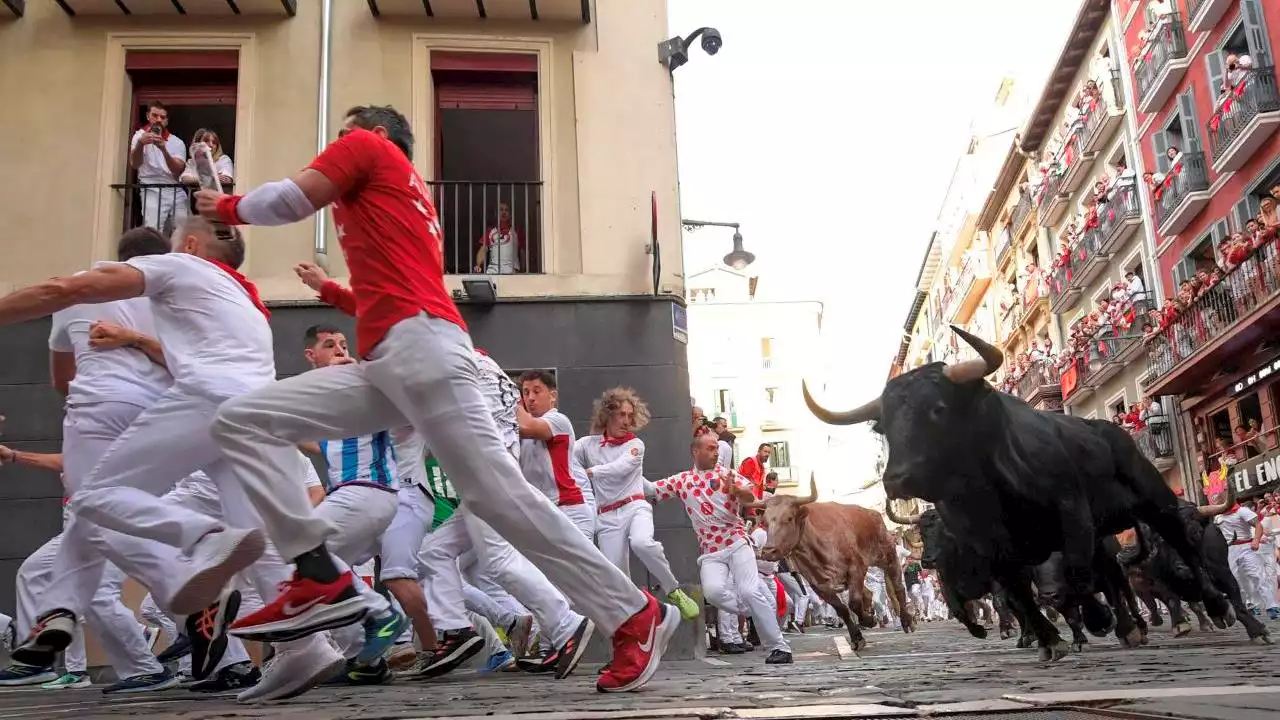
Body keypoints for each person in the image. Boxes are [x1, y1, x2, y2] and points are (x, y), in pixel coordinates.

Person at [194, 104, 678, 693]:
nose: (334, 145)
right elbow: (392, 296)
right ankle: (317, 571)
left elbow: (290, 201)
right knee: (241, 420)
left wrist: (223, 206)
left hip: (421, 355)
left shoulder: (369, 149)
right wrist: (333, 292)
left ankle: (633, 614)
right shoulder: (399, 195)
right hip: (395, 361)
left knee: (498, 499)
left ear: (372, 135)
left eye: (341, 134)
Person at [0, 218, 348, 703]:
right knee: (255, 530)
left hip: (187, 404)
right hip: (245, 409)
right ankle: (306, 645)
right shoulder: (236, 295)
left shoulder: (171, 271)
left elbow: (62, 306)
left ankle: (189, 558)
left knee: (97, 497)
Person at [645, 430, 793, 665]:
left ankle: (779, 647)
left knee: (748, 590)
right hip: (710, 552)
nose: (716, 453)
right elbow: (652, 490)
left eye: (717, 448)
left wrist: (738, 490)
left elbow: (748, 496)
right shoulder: (683, 480)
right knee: (713, 593)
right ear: (696, 451)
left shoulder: (729, 475)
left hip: (736, 543)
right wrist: (625, 468)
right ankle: (758, 607)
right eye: (711, 448)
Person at [575, 388, 699, 621]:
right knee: (617, 578)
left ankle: (673, 591)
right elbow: (568, 462)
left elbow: (620, 468)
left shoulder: (636, 445)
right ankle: (643, 616)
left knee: (642, 543)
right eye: (621, 414)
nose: (626, 420)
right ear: (607, 414)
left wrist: (588, 472)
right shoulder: (586, 445)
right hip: (606, 517)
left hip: (635, 507)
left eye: (630, 415)